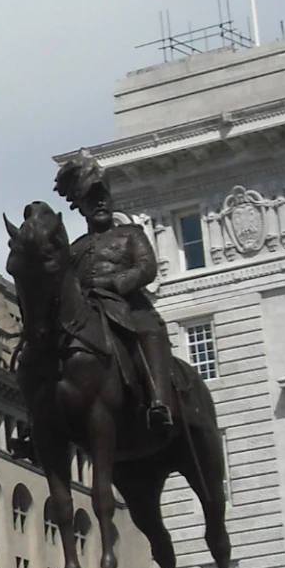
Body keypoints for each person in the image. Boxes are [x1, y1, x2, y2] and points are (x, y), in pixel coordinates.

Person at [52, 152, 176, 434]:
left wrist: (115, 283)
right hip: (90, 313)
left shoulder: (131, 234)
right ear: (81, 208)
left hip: (129, 307)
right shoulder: (76, 249)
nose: (99, 204)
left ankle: (159, 401)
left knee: (150, 331)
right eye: (91, 200)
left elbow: (147, 267)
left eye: (103, 197)